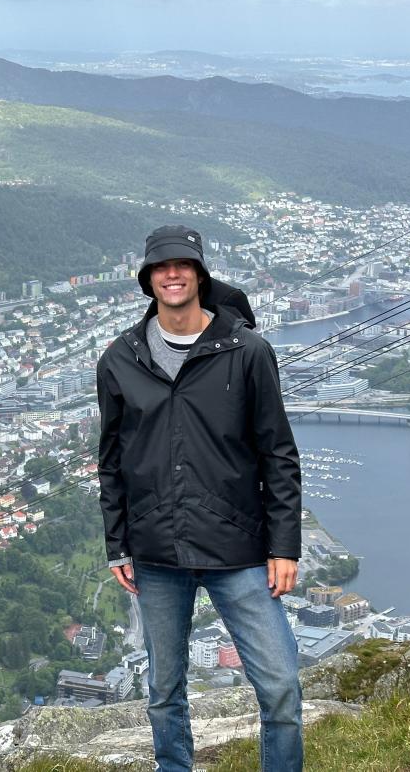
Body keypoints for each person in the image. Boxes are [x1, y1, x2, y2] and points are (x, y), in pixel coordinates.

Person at [97, 224, 303, 772]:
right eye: (160, 267)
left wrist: (285, 547)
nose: (171, 275)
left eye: (182, 266)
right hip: (157, 551)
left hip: (238, 548)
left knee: (281, 686)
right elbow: (112, 462)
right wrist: (118, 545)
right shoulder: (120, 360)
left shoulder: (247, 352)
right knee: (164, 691)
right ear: (147, 279)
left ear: (200, 275)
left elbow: (278, 453)